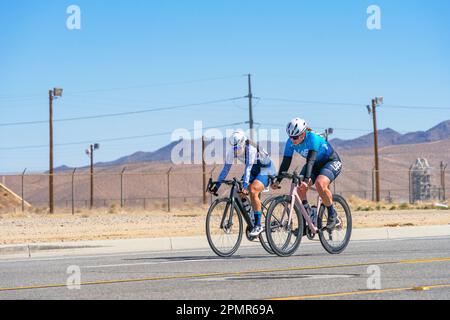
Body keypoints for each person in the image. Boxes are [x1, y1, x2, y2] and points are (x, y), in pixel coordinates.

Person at [271, 118, 343, 230]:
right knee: (300, 188)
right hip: (314, 165)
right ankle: (309, 216)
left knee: (320, 184)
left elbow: (310, 160)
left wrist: (305, 181)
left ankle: (332, 215)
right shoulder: (290, 142)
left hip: (330, 161)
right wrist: (278, 180)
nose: (292, 139)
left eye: (295, 137)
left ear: (303, 133)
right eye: (290, 136)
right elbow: (286, 162)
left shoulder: (313, 138)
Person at [209, 130, 277, 237]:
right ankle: (252, 213)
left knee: (252, 190)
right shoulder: (232, 150)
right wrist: (216, 185)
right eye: (234, 148)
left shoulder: (251, 149)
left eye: (238, 147)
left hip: (266, 169)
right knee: (238, 190)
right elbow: (225, 169)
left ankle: (258, 225)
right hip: (254, 170)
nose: (236, 150)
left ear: (243, 143)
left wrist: (245, 186)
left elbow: (248, 169)